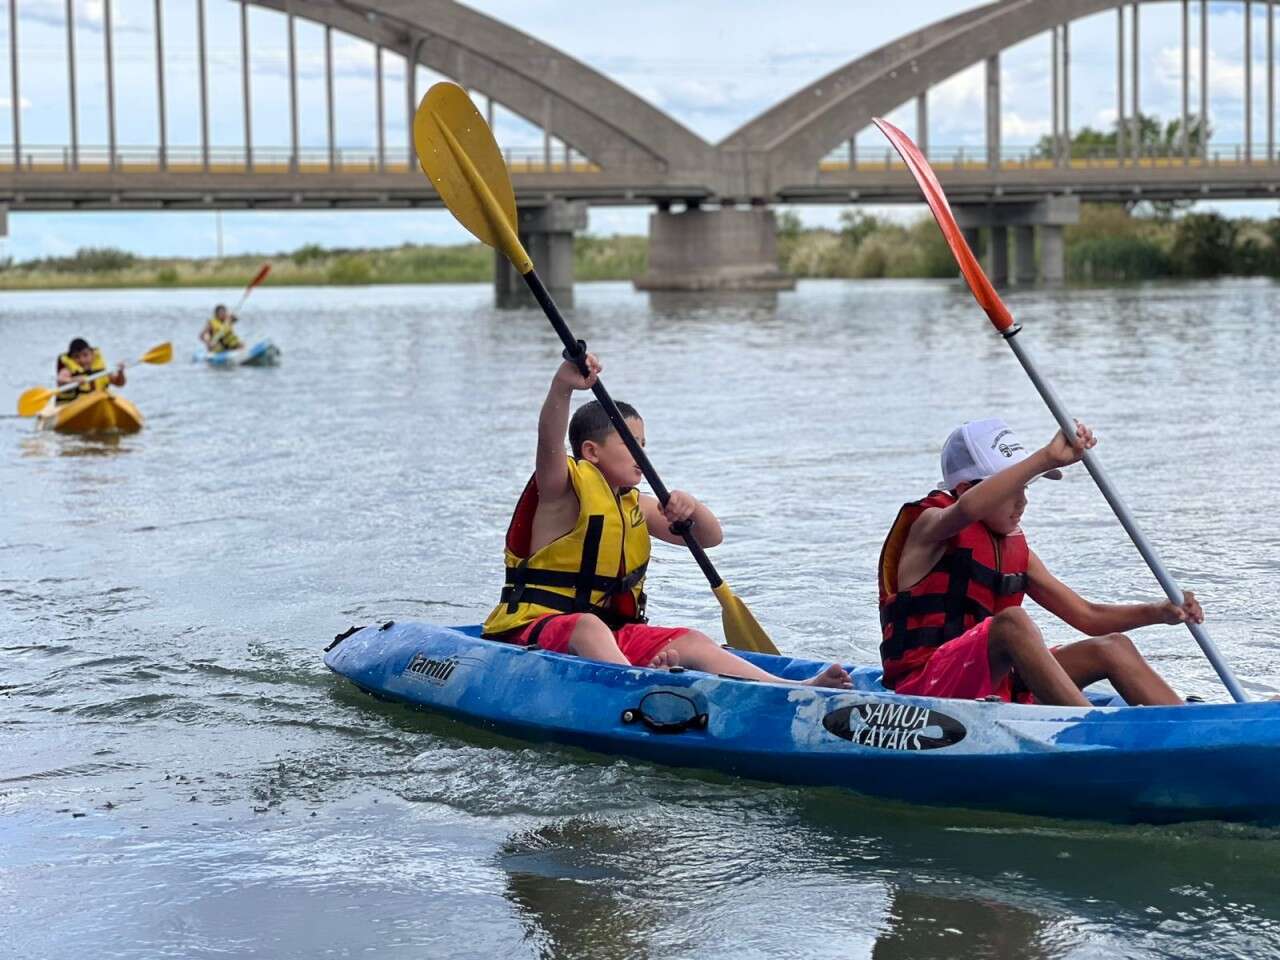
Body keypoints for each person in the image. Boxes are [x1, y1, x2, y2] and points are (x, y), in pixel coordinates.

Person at [482, 351, 851, 688]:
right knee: (589, 626)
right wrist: (562, 387)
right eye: (630, 444)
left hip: (612, 636)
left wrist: (692, 508)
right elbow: (548, 440)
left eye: (644, 444)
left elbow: (710, 537)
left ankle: (790, 688)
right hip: (533, 628)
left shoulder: (638, 507)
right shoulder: (560, 490)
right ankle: (640, 685)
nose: (642, 454)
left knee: (692, 640)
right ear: (591, 451)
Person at [877, 417, 1198, 707]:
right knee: (1012, 622)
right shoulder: (929, 527)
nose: (1023, 501)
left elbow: (1088, 616)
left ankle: (1188, 729)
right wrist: (1045, 457)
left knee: (1113, 646)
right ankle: (1091, 729)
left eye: (1026, 488)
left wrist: (1159, 612)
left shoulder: (1017, 552)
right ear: (963, 489)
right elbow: (967, 510)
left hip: (997, 683)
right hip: (926, 689)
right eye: (1012, 489)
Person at [56, 338, 124, 405]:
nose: (82, 360)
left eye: (85, 355)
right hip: (73, 407)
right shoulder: (67, 370)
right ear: (71, 358)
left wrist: (120, 372)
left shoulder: (101, 371)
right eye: (76, 357)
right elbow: (61, 379)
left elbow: (120, 383)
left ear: (92, 354)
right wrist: (73, 380)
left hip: (98, 404)